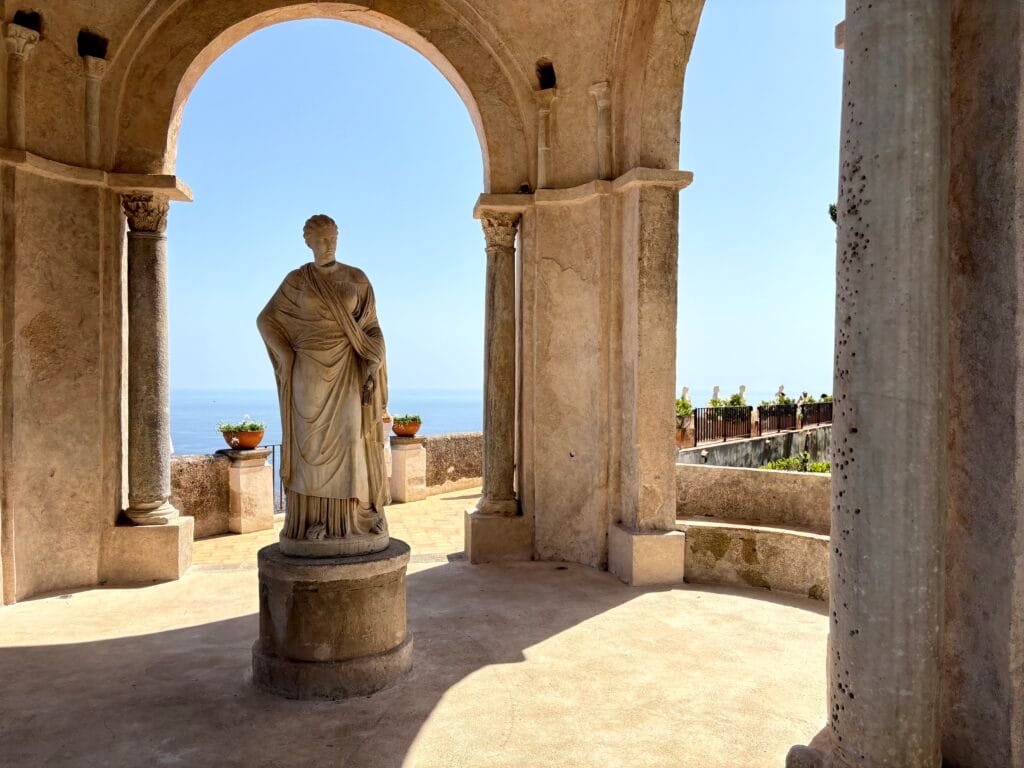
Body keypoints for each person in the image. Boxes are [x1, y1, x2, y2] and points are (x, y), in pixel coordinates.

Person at [257, 214, 390, 556]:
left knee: (350, 440)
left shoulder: (356, 279)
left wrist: (373, 358)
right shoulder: (297, 281)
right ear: (309, 243)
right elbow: (266, 320)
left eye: (332, 238)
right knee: (309, 449)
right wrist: (285, 355)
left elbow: (372, 328)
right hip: (307, 375)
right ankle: (312, 522)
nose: (328, 245)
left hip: (346, 370)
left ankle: (351, 520)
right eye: (321, 240)